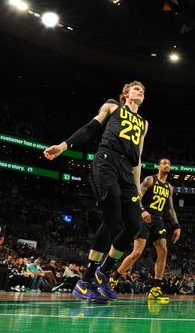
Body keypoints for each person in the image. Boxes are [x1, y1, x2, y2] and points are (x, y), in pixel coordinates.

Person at [44, 81, 150, 304]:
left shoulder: (144, 123)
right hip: (106, 161)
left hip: (127, 173)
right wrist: (63, 146)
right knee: (112, 219)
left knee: (133, 224)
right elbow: (90, 128)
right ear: (125, 94)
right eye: (136, 88)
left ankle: (104, 270)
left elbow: (138, 159)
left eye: (142, 90)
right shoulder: (113, 106)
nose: (140, 91)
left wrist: (138, 191)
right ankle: (85, 281)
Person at [109, 158, 181, 302]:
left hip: (158, 221)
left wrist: (177, 226)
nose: (167, 165)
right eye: (164, 163)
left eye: (169, 164)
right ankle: (113, 278)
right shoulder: (150, 180)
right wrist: (142, 210)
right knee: (136, 253)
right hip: (144, 218)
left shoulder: (169, 187)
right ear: (158, 166)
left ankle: (155, 289)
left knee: (163, 251)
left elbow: (171, 209)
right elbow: (137, 197)